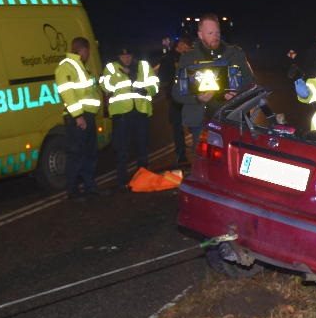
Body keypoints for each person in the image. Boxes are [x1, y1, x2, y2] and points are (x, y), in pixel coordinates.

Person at [172, 13, 255, 142]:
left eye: (217, 32)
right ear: (200, 35)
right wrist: (197, 98)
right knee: (204, 160)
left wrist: (237, 94)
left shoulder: (234, 53)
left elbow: (250, 82)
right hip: (201, 122)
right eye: (210, 33)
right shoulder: (188, 58)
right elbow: (176, 93)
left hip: (232, 119)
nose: (215, 37)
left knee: (232, 159)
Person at [100, 48, 160, 191]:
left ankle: (143, 178)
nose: (126, 58)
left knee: (142, 147)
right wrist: (120, 75)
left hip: (140, 112)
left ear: (133, 55)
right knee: (122, 149)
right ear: (118, 56)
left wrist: (147, 90)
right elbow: (104, 85)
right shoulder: (112, 68)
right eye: (123, 56)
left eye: (128, 55)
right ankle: (122, 182)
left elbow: (155, 84)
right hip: (122, 114)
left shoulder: (143, 66)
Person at [54, 37, 103, 199]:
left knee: (89, 153)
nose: (88, 54)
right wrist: (78, 116)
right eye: (87, 51)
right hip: (78, 118)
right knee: (76, 154)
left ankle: (90, 186)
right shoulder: (66, 67)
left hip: (87, 115)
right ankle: (73, 191)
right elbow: (68, 94)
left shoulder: (81, 67)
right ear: (82, 49)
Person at [158, 35, 193, 165]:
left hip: (190, 98)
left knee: (194, 125)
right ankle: (181, 155)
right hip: (176, 98)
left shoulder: (189, 58)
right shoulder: (168, 59)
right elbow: (164, 79)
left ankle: (195, 152)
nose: (188, 48)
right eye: (187, 46)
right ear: (180, 45)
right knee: (178, 127)